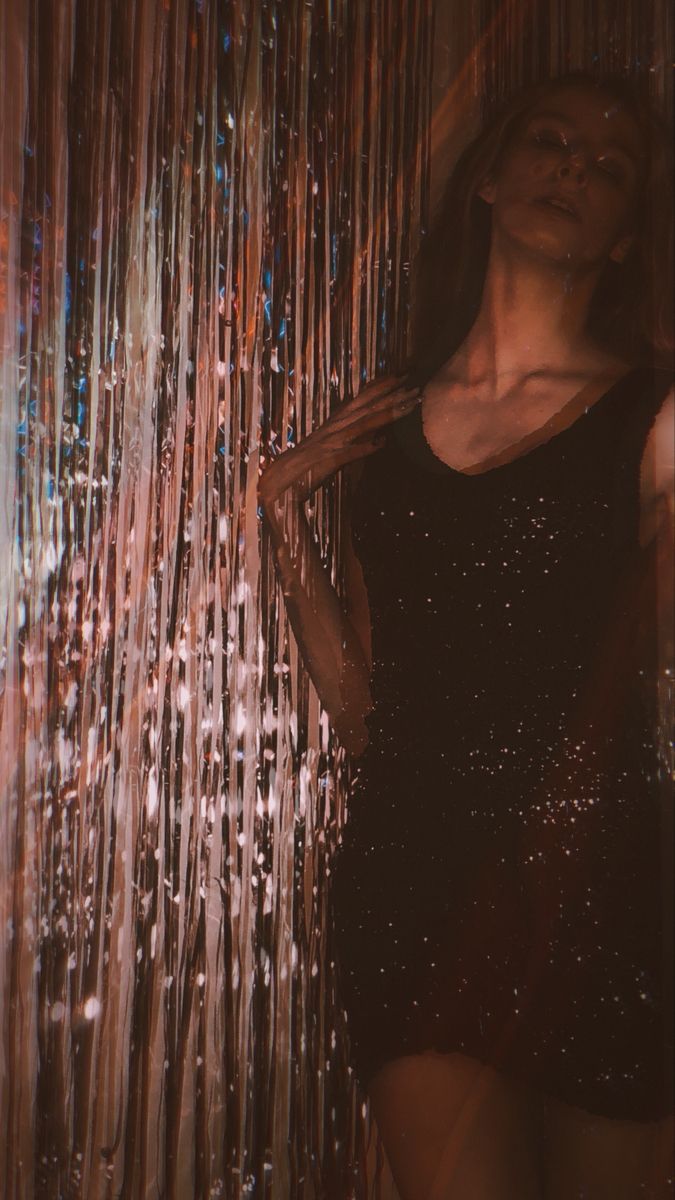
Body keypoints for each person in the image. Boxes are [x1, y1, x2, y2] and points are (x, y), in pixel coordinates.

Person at [257, 72, 674, 1198]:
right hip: (417, 890)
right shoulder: (387, 428)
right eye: (551, 140)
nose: (577, 166)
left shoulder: (658, 415)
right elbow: (366, 719)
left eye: (611, 165)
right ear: (489, 180)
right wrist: (283, 515)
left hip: (606, 895)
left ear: (628, 236)